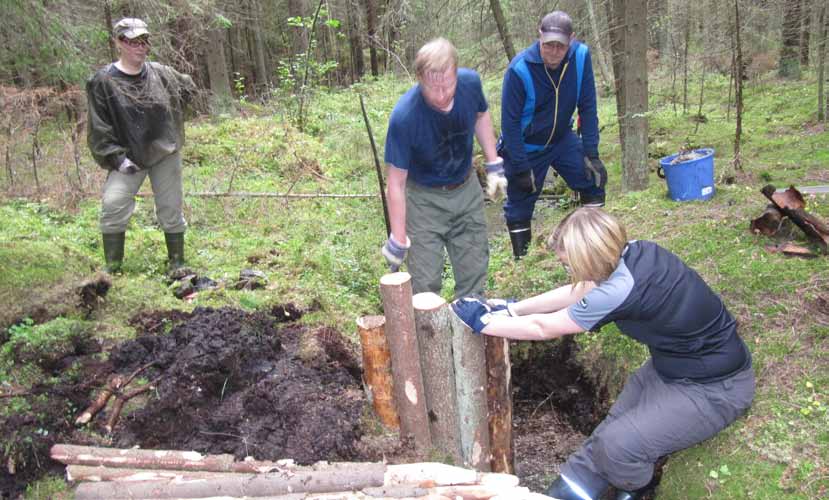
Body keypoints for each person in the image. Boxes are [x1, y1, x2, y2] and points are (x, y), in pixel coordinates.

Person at [452, 208, 755, 500]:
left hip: (715, 388)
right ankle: (569, 489)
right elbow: (583, 290)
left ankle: (636, 487)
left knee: (616, 446)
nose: (567, 271)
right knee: (608, 433)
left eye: (568, 264)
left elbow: (545, 327)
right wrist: (513, 308)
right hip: (669, 369)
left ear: (589, 258)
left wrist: (484, 322)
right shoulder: (635, 252)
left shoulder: (619, 290)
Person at [381, 38, 503, 298]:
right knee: (425, 286)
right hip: (424, 200)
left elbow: (481, 115)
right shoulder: (405, 117)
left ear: (456, 72)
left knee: (473, 276)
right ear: (419, 79)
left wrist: (494, 163)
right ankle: (428, 337)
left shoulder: (470, 84)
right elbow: (396, 183)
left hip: (466, 189)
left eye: (447, 86)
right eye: (431, 88)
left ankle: (469, 334)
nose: (441, 95)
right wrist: (398, 238)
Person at [87, 17, 195, 274]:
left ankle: (176, 262)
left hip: (164, 152)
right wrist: (118, 158)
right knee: (113, 205)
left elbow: (187, 89)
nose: (140, 47)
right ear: (119, 42)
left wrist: (172, 119)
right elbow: (98, 126)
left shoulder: (161, 73)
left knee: (171, 208)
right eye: (133, 42)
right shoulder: (102, 81)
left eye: (144, 41)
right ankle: (113, 268)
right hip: (126, 158)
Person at [499, 11, 607, 259]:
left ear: (572, 39)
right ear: (539, 37)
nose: (554, 52)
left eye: (561, 46)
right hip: (525, 146)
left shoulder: (580, 57)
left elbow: (588, 106)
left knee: (594, 179)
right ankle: (522, 260)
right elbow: (510, 124)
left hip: (562, 138)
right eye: (549, 45)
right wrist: (521, 166)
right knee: (519, 203)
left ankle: (593, 245)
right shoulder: (519, 69)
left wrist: (591, 152)